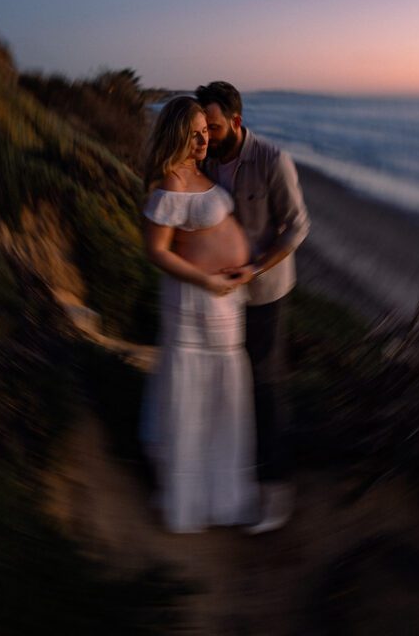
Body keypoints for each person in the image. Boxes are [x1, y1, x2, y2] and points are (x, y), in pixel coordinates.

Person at [195, 81, 310, 534]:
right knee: (227, 380)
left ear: (237, 121)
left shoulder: (272, 161)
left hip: (264, 294)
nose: (207, 136)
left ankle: (276, 491)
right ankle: (235, 473)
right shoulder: (204, 157)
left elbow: (297, 227)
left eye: (214, 127)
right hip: (219, 294)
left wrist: (256, 269)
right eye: (203, 127)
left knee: (264, 382)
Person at [141, 95, 258, 533]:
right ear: (175, 135)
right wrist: (207, 281)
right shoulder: (170, 184)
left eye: (205, 132)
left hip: (225, 305)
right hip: (195, 303)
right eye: (193, 135)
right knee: (197, 388)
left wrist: (241, 269)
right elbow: (156, 252)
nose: (202, 140)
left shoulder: (200, 172)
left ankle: (220, 490)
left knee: (223, 392)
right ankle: (190, 496)